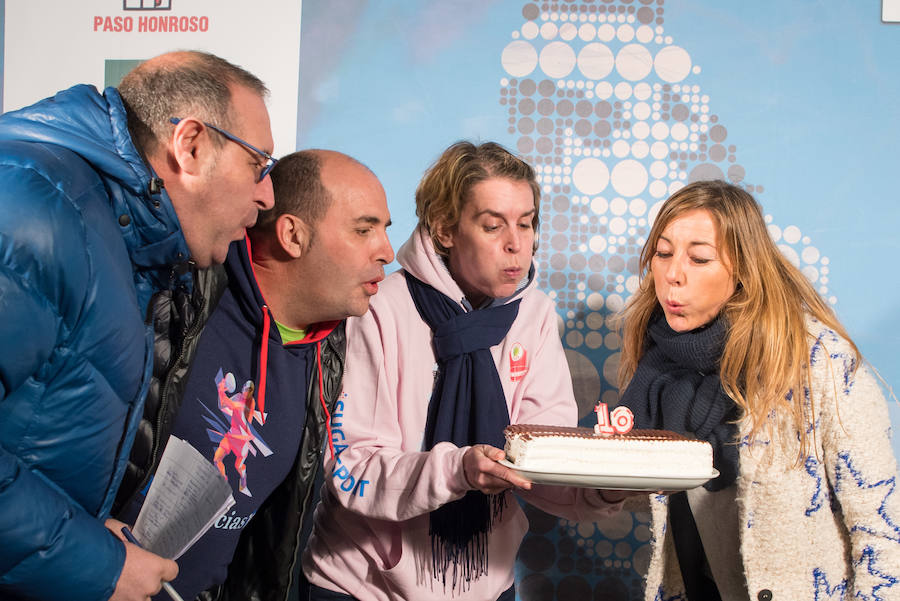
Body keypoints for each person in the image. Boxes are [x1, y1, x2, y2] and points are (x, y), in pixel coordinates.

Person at [0, 50, 276, 601]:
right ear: (191, 146)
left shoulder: (122, 236)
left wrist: (81, 530)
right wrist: (97, 564)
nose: (267, 197)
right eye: (258, 165)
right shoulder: (33, 211)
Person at [302, 141, 627, 601]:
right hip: (363, 587)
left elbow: (540, 462)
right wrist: (459, 470)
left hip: (487, 586)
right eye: (493, 225)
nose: (516, 243)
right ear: (446, 229)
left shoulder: (533, 314)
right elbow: (352, 470)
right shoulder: (378, 307)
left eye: (527, 223)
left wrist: (604, 491)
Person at [112, 150, 394, 601]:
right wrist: (87, 555)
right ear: (292, 235)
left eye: (384, 230)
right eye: (364, 229)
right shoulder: (178, 296)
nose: (386, 251)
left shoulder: (330, 350)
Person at [616, 180, 900, 600]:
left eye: (699, 258)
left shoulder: (819, 361)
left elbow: (882, 527)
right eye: (662, 254)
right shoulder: (658, 361)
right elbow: (651, 499)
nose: (673, 274)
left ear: (744, 269)